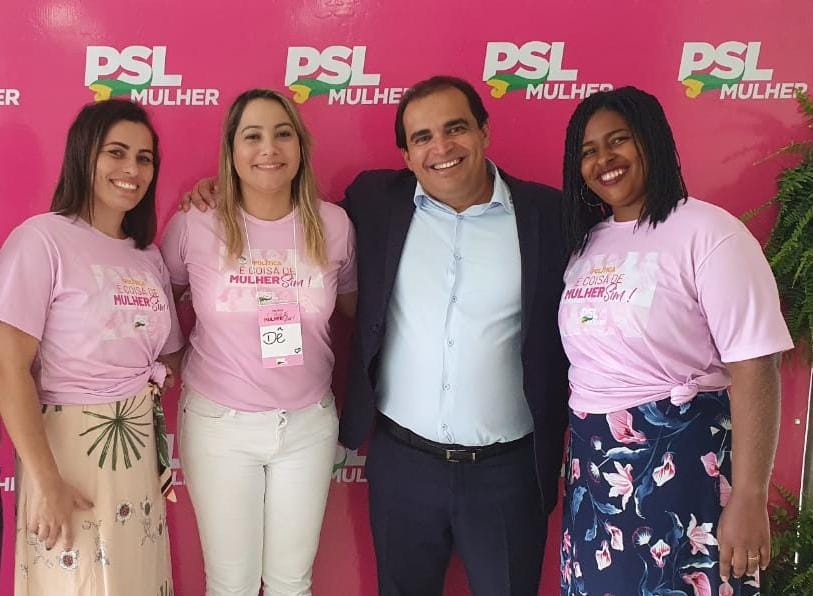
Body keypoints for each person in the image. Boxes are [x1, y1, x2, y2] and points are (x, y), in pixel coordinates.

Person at [186, 75, 570, 596]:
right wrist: (217, 189)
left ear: (484, 131)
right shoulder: (375, 203)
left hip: (506, 471)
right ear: (406, 156)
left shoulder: (548, 215)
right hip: (404, 467)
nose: (441, 147)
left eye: (455, 128)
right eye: (422, 137)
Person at [558, 86, 793, 595]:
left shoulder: (710, 234)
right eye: (589, 151)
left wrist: (749, 496)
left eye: (619, 140)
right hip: (596, 470)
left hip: (684, 466)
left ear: (653, 141)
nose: (604, 160)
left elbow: (756, 366)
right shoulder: (587, 245)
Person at [161, 88, 356, 596]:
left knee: (292, 584)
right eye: (252, 136)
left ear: (300, 146)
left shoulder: (334, 225)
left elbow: (354, 308)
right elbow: (159, 302)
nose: (269, 148)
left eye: (282, 134)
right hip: (219, 426)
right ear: (231, 151)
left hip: (307, 426)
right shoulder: (194, 224)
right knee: (232, 585)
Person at [0, 99, 182, 596]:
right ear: (84, 155)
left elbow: (168, 353)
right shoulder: (41, 240)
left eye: (144, 158)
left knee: (135, 580)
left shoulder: (147, 257)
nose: (132, 170)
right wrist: (47, 481)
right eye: (116, 153)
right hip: (67, 454)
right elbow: (9, 369)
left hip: (136, 448)